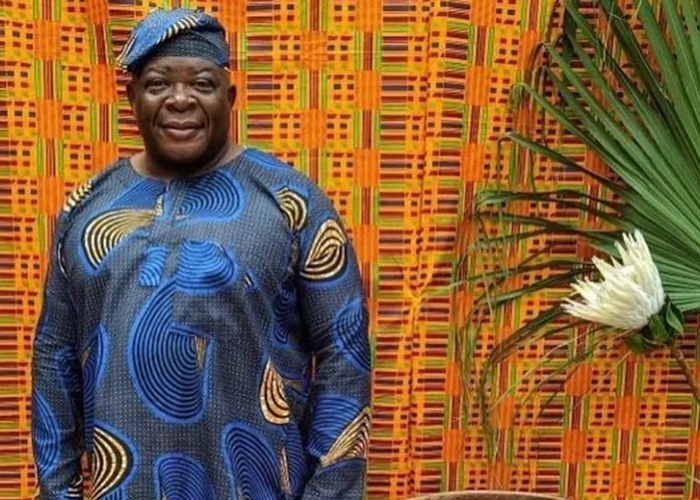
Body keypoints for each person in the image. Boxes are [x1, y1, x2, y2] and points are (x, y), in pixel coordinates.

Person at [31, 7, 371, 499]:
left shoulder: (291, 202)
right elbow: (54, 358)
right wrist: (57, 492)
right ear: (131, 96)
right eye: (158, 84)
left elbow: (344, 353)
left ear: (229, 97)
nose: (180, 100)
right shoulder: (87, 208)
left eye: (202, 84)